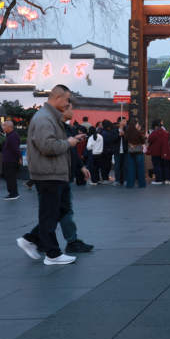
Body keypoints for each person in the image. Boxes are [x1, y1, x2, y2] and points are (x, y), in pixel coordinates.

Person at [16, 85, 85, 265]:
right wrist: (69, 143)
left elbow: (55, 142)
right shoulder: (44, 118)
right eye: (67, 100)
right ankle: (52, 254)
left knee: (61, 209)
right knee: (49, 214)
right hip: (48, 173)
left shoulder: (52, 117)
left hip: (57, 173)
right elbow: (47, 146)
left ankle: (31, 239)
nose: (68, 103)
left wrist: (70, 141)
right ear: (57, 98)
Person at [60, 101, 95, 253]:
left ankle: (36, 238)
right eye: (71, 108)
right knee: (63, 209)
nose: (73, 111)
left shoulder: (67, 128)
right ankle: (71, 241)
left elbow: (71, 150)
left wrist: (81, 166)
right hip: (59, 174)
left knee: (57, 210)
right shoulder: (55, 127)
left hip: (65, 173)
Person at [1, 120, 22, 200]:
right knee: (10, 176)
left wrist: (19, 158)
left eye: (4, 126)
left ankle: (13, 194)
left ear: (9, 127)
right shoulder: (11, 135)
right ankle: (14, 193)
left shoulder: (12, 136)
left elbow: (15, 148)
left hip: (10, 159)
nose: (2, 128)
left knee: (9, 177)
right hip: (10, 159)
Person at [125, 119, 146, 189]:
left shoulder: (128, 132)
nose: (138, 125)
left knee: (131, 168)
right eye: (137, 124)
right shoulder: (138, 132)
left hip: (131, 151)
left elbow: (126, 139)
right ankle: (141, 184)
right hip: (138, 151)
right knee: (140, 168)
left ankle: (130, 184)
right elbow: (143, 141)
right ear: (135, 125)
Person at [147, 120, 169, 184]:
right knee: (163, 165)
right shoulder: (164, 132)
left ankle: (158, 180)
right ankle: (164, 178)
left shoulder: (154, 132)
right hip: (163, 151)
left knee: (156, 166)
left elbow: (149, 140)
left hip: (155, 152)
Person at [110, 117, 129, 187]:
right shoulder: (114, 131)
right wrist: (119, 135)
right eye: (124, 121)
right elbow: (112, 140)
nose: (125, 122)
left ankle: (125, 180)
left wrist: (124, 135)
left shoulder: (127, 131)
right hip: (117, 151)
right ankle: (117, 180)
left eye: (125, 121)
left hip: (125, 151)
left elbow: (128, 140)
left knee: (125, 166)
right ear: (119, 122)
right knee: (117, 166)